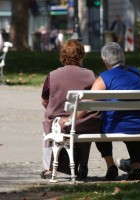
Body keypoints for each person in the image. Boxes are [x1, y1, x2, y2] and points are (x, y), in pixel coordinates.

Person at [60, 42, 140, 180]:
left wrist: (69, 119)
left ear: (105, 62)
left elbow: (87, 104)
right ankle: (136, 167)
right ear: (123, 58)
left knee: (99, 123)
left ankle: (111, 166)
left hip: (116, 127)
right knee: (135, 121)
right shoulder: (137, 74)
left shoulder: (104, 77)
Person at [41, 39, 101, 180]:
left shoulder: (53, 75)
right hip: (85, 122)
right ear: (81, 55)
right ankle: (83, 166)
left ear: (63, 56)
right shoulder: (90, 75)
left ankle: (49, 168)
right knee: (84, 123)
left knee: (48, 121)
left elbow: (44, 100)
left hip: (62, 125)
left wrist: (52, 109)